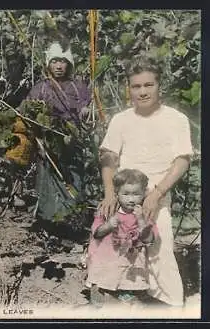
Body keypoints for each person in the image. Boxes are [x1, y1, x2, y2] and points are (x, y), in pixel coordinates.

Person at [98, 55, 193, 306]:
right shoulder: (121, 120)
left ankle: (173, 308)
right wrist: (110, 194)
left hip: (156, 196)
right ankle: (119, 298)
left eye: (148, 85)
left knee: (159, 252)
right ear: (128, 89)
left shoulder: (175, 119)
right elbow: (108, 157)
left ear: (159, 86)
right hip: (123, 198)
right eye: (136, 86)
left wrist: (156, 194)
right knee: (114, 249)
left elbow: (182, 161)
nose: (142, 92)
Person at [23, 41, 92, 228]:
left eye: (62, 61)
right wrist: (39, 142)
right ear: (48, 64)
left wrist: (86, 112)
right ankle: (51, 224)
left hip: (72, 141)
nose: (59, 66)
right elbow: (29, 115)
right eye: (54, 61)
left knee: (73, 179)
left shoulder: (79, 86)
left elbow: (88, 110)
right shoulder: (41, 88)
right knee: (50, 181)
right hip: (48, 142)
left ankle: (73, 222)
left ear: (68, 64)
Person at [86, 168, 158, 305]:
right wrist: (108, 225)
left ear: (144, 193)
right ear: (116, 194)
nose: (131, 199)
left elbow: (149, 240)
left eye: (136, 194)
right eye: (125, 194)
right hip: (107, 262)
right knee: (102, 296)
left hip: (130, 265)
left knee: (128, 298)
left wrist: (142, 221)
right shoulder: (108, 211)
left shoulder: (144, 215)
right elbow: (96, 234)